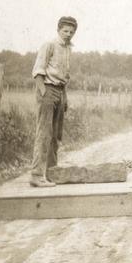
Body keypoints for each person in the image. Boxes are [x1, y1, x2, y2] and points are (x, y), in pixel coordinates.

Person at [29, 16, 77, 187]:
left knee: (56, 135)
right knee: (44, 133)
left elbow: (64, 76)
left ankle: (52, 173)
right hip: (47, 90)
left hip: (60, 91)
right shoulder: (49, 45)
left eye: (71, 32)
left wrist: (64, 98)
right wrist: (43, 93)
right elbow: (38, 72)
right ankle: (36, 175)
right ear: (58, 30)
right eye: (65, 31)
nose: (68, 34)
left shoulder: (68, 49)